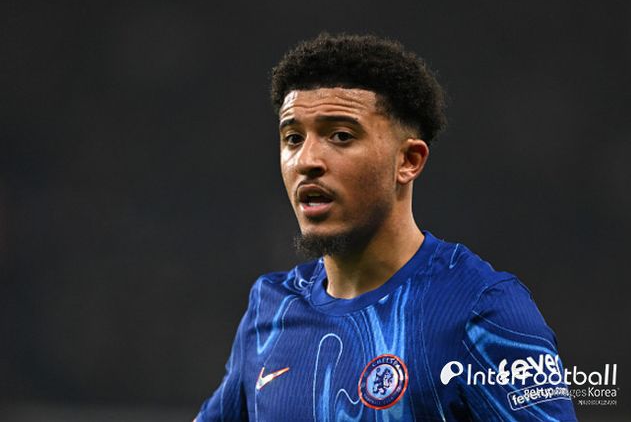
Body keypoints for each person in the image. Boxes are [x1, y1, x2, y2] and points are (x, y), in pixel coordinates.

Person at [194, 33, 577, 421]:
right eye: (293, 138)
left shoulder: (482, 310)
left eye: (340, 136)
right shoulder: (271, 310)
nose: (306, 160)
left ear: (409, 160)